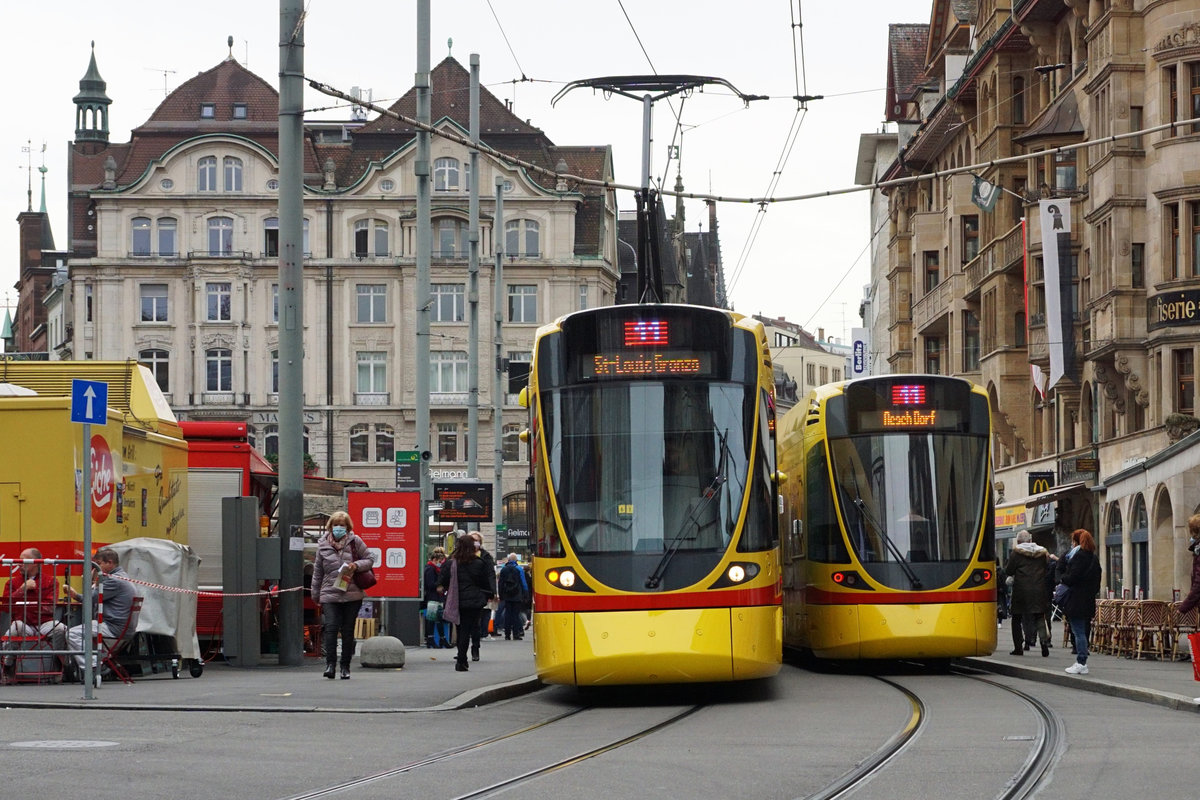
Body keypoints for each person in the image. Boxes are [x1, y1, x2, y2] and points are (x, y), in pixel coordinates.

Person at [310, 511, 374, 680]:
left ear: (347, 527)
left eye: (342, 525)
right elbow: (318, 572)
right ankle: (330, 664)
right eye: (336, 525)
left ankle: (345, 667)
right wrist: (315, 594)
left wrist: (355, 565)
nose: (339, 528)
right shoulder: (323, 545)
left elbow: (369, 559)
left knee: (348, 630)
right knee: (330, 628)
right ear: (330, 527)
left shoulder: (355, 541)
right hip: (329, 594)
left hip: (352, 594)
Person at [65, 547, 137, 678]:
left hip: (113, 627)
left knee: (72, 634)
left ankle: (93, 666)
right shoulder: (122, 576)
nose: (96, 567)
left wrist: (74, 594)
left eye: (99, 563)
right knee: (84, 632)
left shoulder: (113, 580)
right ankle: (99, 661)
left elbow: (91, 598)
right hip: (121, 626)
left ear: (109, 562)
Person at [2, 548, 67, 671]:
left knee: (61, 629)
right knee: (15, 627)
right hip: (23, 622)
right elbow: (6, 606)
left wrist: (29, 602)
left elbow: (50, 607)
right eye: (19, 560)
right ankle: (8, 666)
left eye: (23, 560)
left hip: (44, 622)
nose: (19, 563)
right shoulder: (12, 582)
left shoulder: (51, 581)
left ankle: (60, 665)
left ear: (36, 562)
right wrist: (22, 589)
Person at [437, 533, 494, 671]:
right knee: (469, 629)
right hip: (474, 601)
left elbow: (442, 581)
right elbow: (485, 583)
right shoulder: (479, 563)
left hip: (457, 600)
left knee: (461, 629)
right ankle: (463, 658)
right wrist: (487, 595)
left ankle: (461, 658)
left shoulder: (451, 563)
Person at [1057, 528, 1102, 676]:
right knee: (1083, 631)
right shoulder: (1094, 559)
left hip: (1076, 600)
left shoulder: (1078, 557)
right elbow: (1097, 583)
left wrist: (1063, 578)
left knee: (1078, 632)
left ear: (1076, 541)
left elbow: (1071, 577)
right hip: (1088, 600)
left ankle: (1081, 662)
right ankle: (1082, 661)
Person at [1003, 530, 1052, 657]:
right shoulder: (1042, 553)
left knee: (1017, 618)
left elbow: (1009, 570)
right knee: (1039, 616)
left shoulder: (1016, 553)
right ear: (1030, 540)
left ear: (1019, 541)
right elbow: (1047, 568)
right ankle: (1043, 643)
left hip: (1021, 590)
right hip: (1039, 589)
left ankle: (1018, 647)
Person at [467, 531, 498, 642]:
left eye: (477, 540)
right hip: (465, 592)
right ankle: (463, 650)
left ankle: (476, 642)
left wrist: (493, 591)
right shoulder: (461, 555)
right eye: (472, 540)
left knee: (478, 618)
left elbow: (490, 574)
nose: (475, 543)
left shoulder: (485, 556)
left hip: (480, 591)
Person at [423, 547, 451, 648]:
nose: (441, 563)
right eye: (440, 561)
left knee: (438, 618)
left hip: (437, 597)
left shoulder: (434, 568)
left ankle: (441, 639)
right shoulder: (430, 569)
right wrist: (438, 585)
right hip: (433, 597)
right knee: (432, 618)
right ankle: (432, 639)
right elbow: (430, 584)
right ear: (435, 560)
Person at [498, 553, 529, 640]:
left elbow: (500, 583)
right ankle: (516, 634)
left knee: (507, 614)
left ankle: (507, 634)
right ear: (516, 560)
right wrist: (525, 594)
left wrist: (501, 595)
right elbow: (523, 583)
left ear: (508, 560)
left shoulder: (504, 569)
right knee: (515, 614)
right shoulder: (519, 569)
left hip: (507, 595)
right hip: (517, 594)